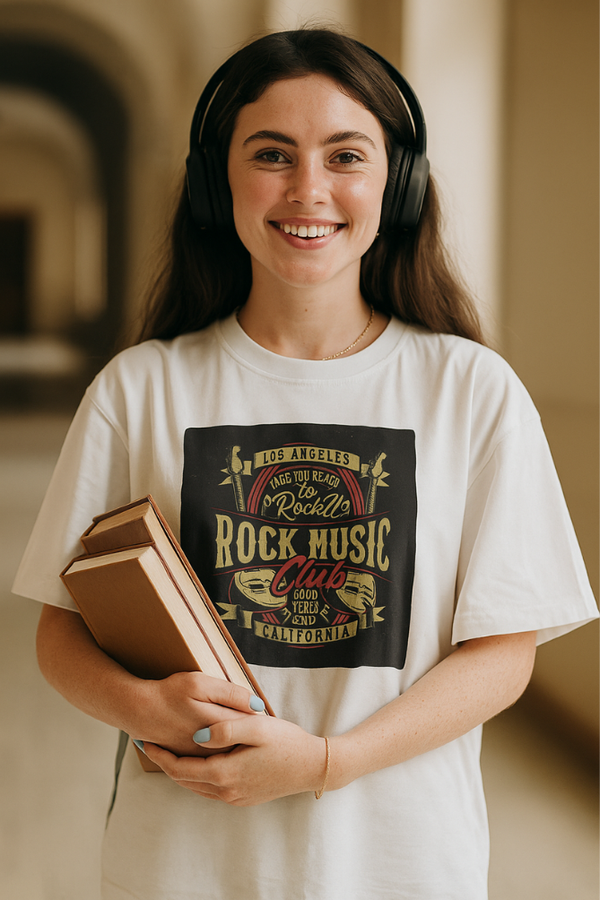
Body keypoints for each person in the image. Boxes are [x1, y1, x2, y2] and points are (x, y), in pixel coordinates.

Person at [13, 27, 598, 900]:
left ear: (396, 184)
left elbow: (503, 653)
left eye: (346, 155)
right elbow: (59, 631)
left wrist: (326, 762)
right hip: (180, 864)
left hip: (402, 865)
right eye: (272, 154)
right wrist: (144, 707)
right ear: (220, 183)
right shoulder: (141, 387)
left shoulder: (471, 390)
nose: (309, 189)